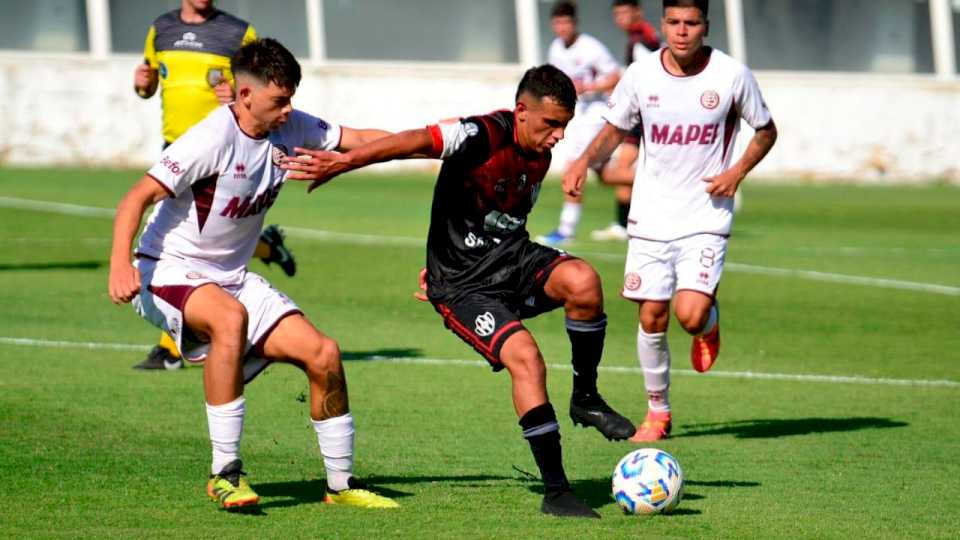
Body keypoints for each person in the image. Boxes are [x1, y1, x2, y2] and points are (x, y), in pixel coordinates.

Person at [281, 65, 636, 518]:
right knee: (526, 358)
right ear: (521, 111)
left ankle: (585, 398)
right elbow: (412, 141)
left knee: (583, 279)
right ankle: (557, 491)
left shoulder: (539, 150)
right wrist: (347, 161)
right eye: (551, 124)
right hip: (464, 288)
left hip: (512, 260)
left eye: (564, 126)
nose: (558, 136)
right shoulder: (481, 135)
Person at [109, 38, 398, 510]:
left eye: (291, 99)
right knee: (228, 318)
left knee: (323, 354)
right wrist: (120, 265)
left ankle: (341, 487)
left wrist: (435, 144)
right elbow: (135, 198)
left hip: (231, 277)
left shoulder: (291, 125)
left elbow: (360, 139)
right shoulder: (211, 138)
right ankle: (225, 474)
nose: (289, 110)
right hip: (165, 269)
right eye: (279, 100)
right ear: (245, 96)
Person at [563, 0, 777, 442]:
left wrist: (736, 173)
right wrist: (583, 161)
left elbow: (766, 130)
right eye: (674, 22)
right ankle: (657, 411)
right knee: (652, 316)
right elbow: (613, 129)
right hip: (651, 216)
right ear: (662, 24)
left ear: (705, 26)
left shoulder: (731, 75)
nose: (682, 31)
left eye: (691, 23)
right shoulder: (640, 75)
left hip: (704, 213)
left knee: (690, 316)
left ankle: (709, 322)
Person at [133, 0, 295, 370]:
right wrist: (142, 86)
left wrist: (232, 96)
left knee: (190, 241)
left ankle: (171, 348)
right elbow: (151, 80)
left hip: (224, 150)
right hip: (178, 147)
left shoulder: (238, 32)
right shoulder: (161, 28)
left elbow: (259, 82)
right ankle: (269, 249)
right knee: (187, 237)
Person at [537, 1, 621, 246]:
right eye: (558, 23)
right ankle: (650, 184)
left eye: (566, 22)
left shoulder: (591, 48)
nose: (562, 28)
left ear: (575, 23)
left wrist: (589, 87)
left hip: (595, 112)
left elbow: (615, 76)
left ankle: (566, 229)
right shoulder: (555, 49)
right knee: (604, 174)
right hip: (578, 115)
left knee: (573, 165)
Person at [591, 0, 664, 242]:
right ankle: (624, 224)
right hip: (641, 112)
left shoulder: (643, 40)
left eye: (625, 12)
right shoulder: (638, 37)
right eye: (617, 14)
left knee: (613, 171)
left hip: (646, 113)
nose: (620, 18)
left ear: (637, 12)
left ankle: (677, 186)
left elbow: (652, 76)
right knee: (623, 165)